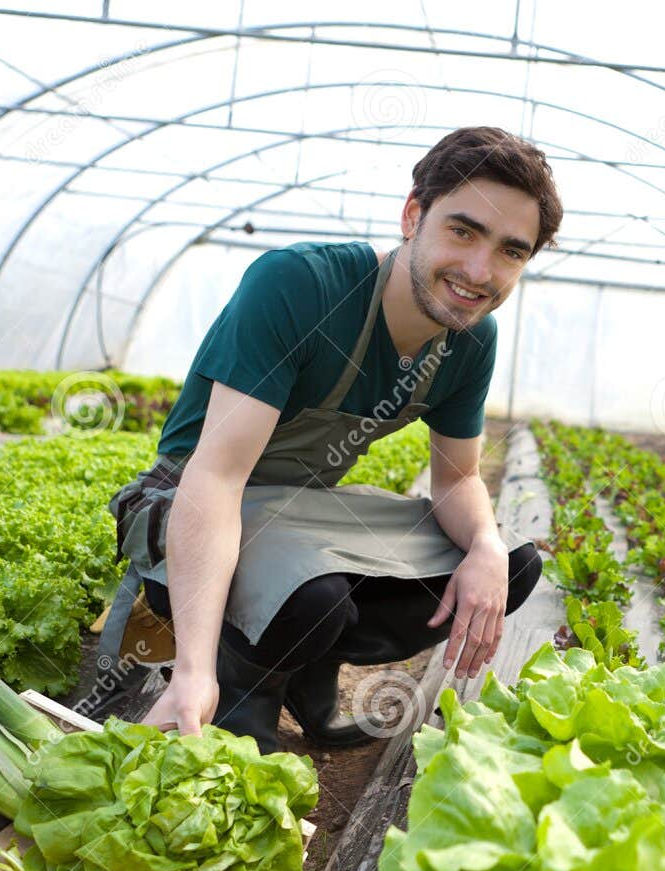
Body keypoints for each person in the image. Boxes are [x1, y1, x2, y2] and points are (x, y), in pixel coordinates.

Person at [100, 126, 559, 753]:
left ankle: (310, 667)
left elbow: (457, 478)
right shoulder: (300, 286)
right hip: (186, 502)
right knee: (314, 596)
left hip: (299, 517)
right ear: (413, 216)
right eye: (463, 230)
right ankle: (236, 688)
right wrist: (191, 670)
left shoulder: (471, 338)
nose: (480, 271)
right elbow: (217, 478)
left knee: (506, 568)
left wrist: (483, 542)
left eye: (510, 250)